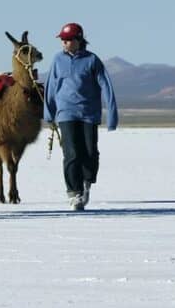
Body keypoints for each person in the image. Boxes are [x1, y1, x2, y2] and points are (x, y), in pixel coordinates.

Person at [43, 22, 118, 211]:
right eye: (62, 40)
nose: (64, 43)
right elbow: (51, 87)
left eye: (68, 40)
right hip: (65, 113)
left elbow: (106, 87)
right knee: (71, 153)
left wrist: (112, 115)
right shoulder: (57, 60)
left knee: (90, 153)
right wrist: (48, 112)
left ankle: (86, 182)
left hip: (88, 114)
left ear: (79, 40)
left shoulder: (92, 60)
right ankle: (74, 194)